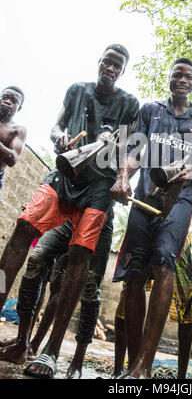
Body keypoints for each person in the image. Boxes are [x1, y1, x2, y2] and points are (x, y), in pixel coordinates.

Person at [0, 44, 139, 378]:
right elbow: (56, 126)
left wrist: (122, 179)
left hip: (99, 188)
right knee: (22, 231)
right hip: (64, 176)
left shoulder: (129, 104)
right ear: (99, 62)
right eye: (107, 61)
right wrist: (59, 136)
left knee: (80, 256)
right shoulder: (76, 90)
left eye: (117, 65)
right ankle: (23, 341)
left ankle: (49, 353)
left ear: (122, 71)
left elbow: (127, 147)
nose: (111, 67)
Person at [110, 57, 192, 378]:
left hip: (181, 198)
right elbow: (134, 150)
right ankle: (133, 366)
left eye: (188, 76)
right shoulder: (150, 111)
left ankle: (144, 365)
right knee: (136, 272)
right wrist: (123, 176)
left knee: (163, 262)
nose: (182, 80)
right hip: (145, 197)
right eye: (177, 75)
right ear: (169, 79)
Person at [0, 213, 113, 379]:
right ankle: (22, 343)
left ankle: (75, 361)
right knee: (36, 261)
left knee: (90, 286)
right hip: (68, 213)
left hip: (99, 218)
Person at [108, 232, 192, 380]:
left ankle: (181, 378)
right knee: (129, 291)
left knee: (186, 298)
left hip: (178, 233)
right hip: (144, 227)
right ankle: (119, 371)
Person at [0, 86, 26, 199]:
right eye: (5, 97)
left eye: (14, 101)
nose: (7, 102)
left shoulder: (18, 130)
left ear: (19, 108)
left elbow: (12, 159)